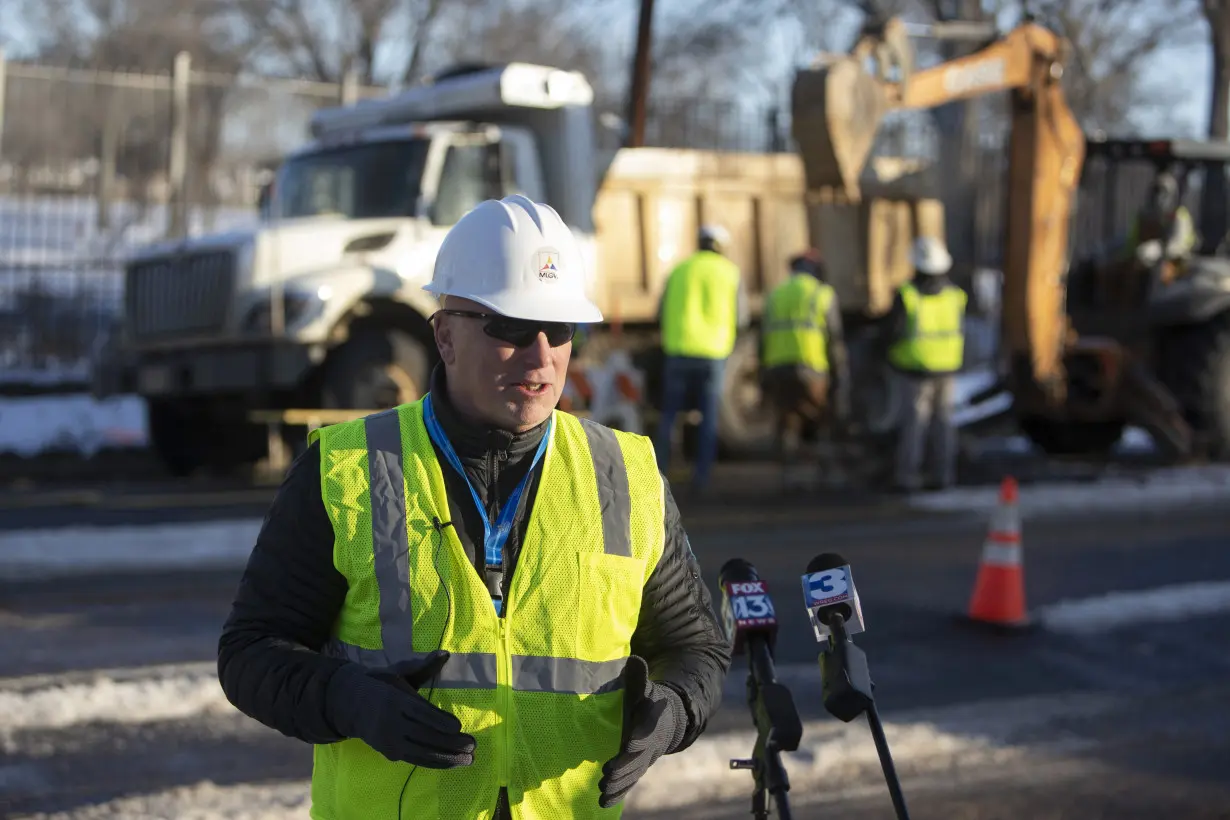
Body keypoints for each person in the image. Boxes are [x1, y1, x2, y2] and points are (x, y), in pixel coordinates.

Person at [218, 194, 732, 820]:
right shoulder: (348, 468)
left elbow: (696, 648)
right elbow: (251, 652)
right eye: (512, 328)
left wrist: (676, 710)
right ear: (446, 335)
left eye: (561, 329)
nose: (542, 357)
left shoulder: (625, 475)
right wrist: (345, 699)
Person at [655, 224, 749, 495]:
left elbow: (660, 311)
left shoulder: (678, 270)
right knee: (708, 415)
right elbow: (741, 318)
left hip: (677, 351)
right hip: (713, 354)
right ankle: (702, 476)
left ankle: (658, 473)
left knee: (669, 415)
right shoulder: (730, 272)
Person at [759, 249, 851, 490]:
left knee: (788, 423)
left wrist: (763, 372)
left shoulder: (775, 294)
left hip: (778, 368)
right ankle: (827, 475)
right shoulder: (822, 294)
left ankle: (788, 476)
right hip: (811, 369)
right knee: (821, 420)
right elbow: (834, 338)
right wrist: (839, 374)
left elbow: (763, 337)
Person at [884, 236, 967, 492]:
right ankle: (943, 476)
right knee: (943, 424)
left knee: (914, 424)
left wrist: (884, 353)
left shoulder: (908, 295)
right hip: (948, 368)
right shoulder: (956, 295)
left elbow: (893, 331)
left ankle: (907, 477)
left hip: (914, 369)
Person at [1127, 171, 1198, 265]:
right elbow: (1131, 243)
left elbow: (1180, 245)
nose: (1159, 197)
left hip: (1177, 263)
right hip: (1146, 263)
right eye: (1156, 192)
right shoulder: (1144, 215)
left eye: (1164, 192)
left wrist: (1157, 249)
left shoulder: (1179, 214)